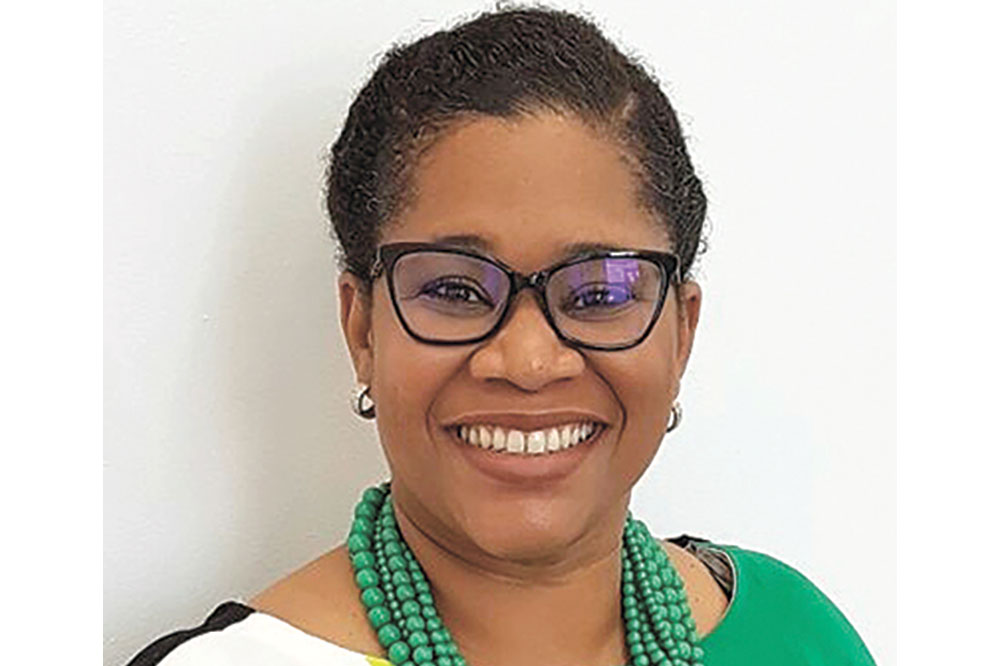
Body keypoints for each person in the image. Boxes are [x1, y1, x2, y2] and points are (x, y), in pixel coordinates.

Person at [125, 6, 876, 666]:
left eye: (599, 293)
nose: (528, 359)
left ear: (680, 334)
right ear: (363, 330)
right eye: (454, 290)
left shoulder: (794, 636)